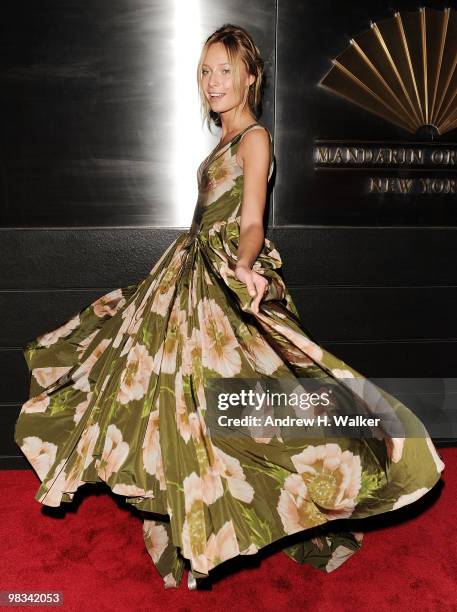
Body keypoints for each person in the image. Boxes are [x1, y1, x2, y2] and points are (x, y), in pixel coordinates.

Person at [14, 23, 445, 591]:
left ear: (250, 77)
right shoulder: (221, 140)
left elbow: (251, 222)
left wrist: (245, 265)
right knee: (175, 404)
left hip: (218, 278)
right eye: (205, 71)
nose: (213, 82)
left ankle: (283, 498)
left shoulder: (254, 138)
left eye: (224, 70)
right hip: (183, 273)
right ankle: (196, 519)